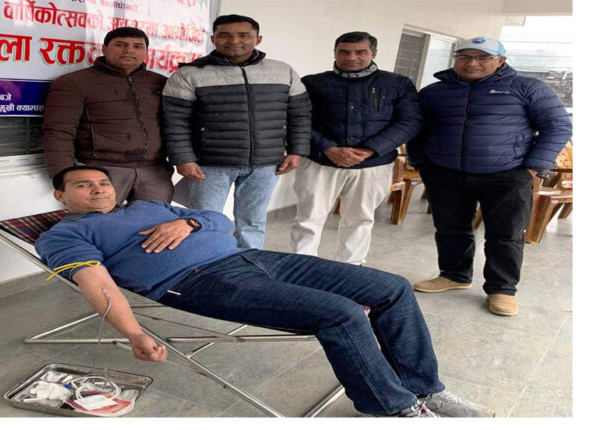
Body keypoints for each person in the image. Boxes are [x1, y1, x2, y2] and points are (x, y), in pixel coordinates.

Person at [34, 165, 495, 418]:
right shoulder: (65, 234)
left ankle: (425, 389)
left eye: (102, 182)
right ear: (60, 196)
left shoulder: (150, 206)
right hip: (198, 282)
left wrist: (188, 221)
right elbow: (97, 283)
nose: (97, 190)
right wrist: (135, 333)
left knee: (390, 287)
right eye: (82, 185)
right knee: (340, 312)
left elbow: (219, 220)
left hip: (255, 258)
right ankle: (393, 410)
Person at [407, 37, 572, 316]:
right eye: (464, 56)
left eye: (483, 57)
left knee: (505, 234)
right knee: (450, 228)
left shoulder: (527, 87)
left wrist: (533, 166)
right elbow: (416, 129)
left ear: (501, 61)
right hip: (445, 172)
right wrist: (420, 161)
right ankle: (454, 275)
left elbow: (558, 126)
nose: (472, 63)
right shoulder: (435, 92)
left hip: (507, 174)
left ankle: (501, 289)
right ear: (455, 59)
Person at [161, 14, 311, 249]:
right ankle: (205, 263)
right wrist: (183, 159)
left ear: (258, 39)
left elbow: (300, 115)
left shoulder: (283, 71)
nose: (234, 41)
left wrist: (297, 151)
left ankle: (248, 263)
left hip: (266, 163)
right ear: (213, 39)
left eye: (243, 35)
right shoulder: (190, 74)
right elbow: (174, 121)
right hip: (209, 164)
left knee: (253, 223)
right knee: (203, 221)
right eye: (225, 35)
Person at [291, 32, 422, 265]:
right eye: (344, 52)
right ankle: (302, 265)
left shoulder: (397, 84)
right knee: (308, 217)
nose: (351, 57)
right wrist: (328, 148)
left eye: (360, 52)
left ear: (374, 53)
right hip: (321, 162)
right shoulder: (312, 83)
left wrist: (371, 149)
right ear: (335, 53)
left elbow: (409, 122)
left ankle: (350, 267)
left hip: (373, 165)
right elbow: (298, 120)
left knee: (360, 220)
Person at [42, 27, 173, 204]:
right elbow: (58, 132)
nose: (129, 50)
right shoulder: (74, 82)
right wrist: (63, 175)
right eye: (120, 44)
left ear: (146, 52)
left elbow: (176, 125)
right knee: (99, 220)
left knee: (154, 220)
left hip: (155, 172)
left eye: (137, 46)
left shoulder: (161, 82)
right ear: (104, 49)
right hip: (100, 172)